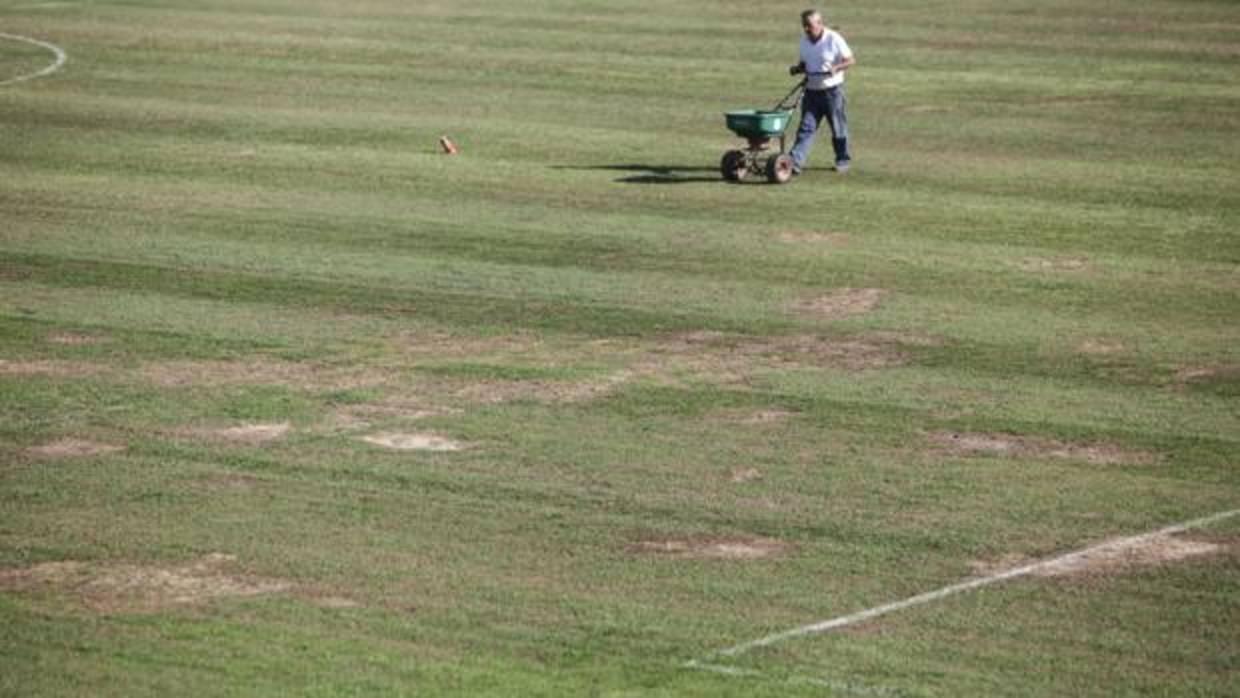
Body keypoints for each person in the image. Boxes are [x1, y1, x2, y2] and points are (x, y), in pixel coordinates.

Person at [788, 9, 855, 174]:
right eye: (804, 25)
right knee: (806, 128)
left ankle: (843, 160)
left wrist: (837, 67)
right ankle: (795, 162)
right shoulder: (804, 41)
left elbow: (851, 60)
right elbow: (805, 63)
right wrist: (798, 69)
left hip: (832, 92)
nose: (806, 29)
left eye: (809, 25)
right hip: (811, 91)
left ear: (819, 23)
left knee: (838, 128)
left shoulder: (833, 39)